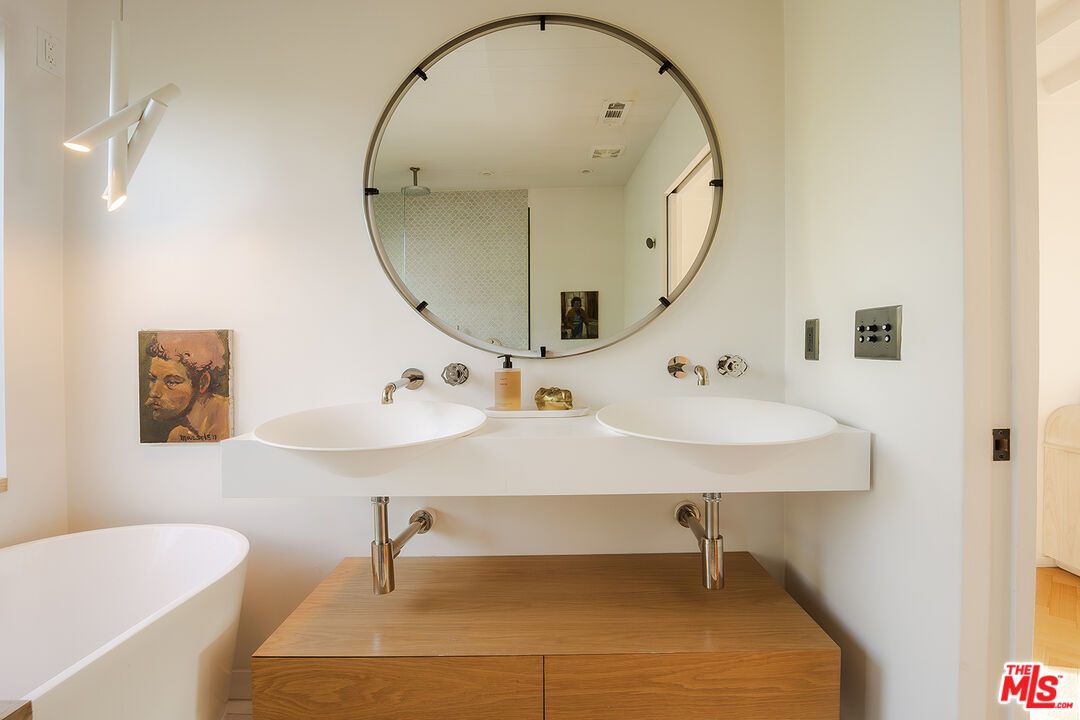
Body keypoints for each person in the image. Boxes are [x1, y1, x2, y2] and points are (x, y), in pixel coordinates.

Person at [143, 331, 231, 442]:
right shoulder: (180, 435)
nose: (153, 393)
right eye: (153, 379)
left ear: (203, 383)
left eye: (171, 382)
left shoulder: (227, 424)